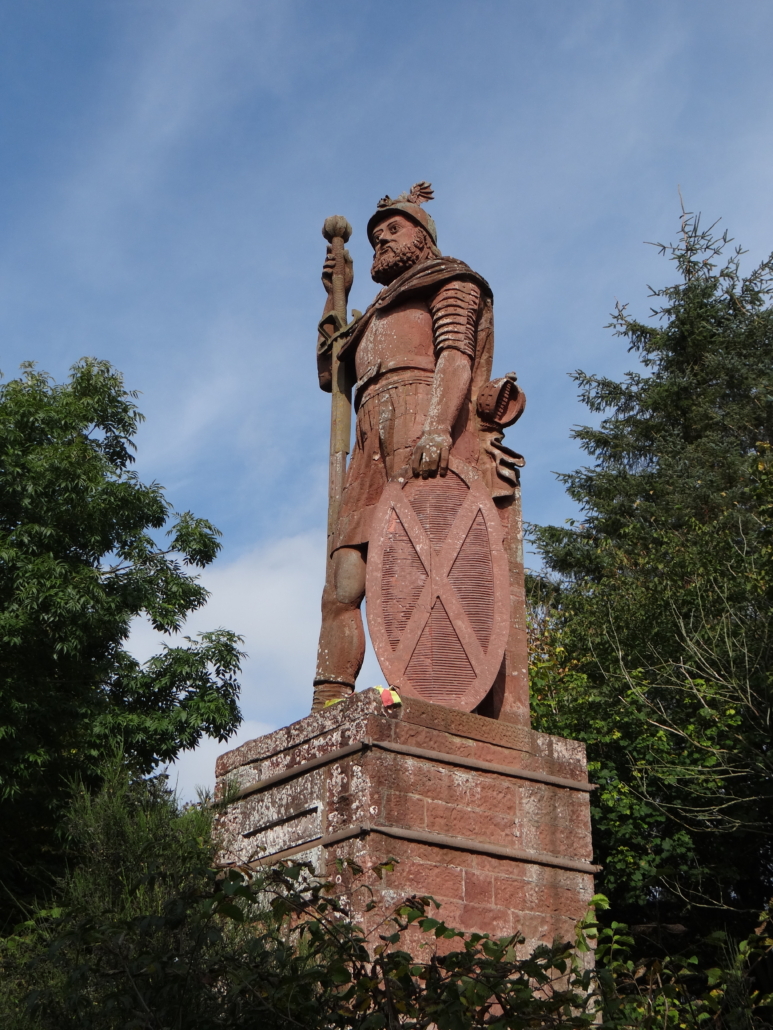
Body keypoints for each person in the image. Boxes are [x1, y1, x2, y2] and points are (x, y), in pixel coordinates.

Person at [312, 183, 520, 712]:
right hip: (367, 438)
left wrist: (436, 430)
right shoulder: (369, 317)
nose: (381, 238)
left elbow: (457, 357)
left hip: (421, 419)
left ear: (422, 236)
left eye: (392, 230)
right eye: (376, 235)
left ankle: (441, 693)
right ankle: (331, 700)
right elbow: (329, 374)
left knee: (426, 563)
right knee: (343, 579)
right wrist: (337, 298)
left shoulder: (450, 281)